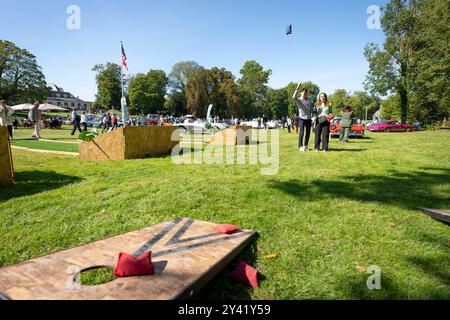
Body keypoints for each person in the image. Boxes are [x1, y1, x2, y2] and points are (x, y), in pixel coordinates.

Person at [292, 84, 313, 152]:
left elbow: (310, 108)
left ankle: (306, 145)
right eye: (303, 92)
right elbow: (293, 97)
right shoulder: (299, 100)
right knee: (301, 132)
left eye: (305, 92)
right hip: (301, 118)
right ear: (301, 93)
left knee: (308, 133)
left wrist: (312, 115)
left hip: (309, 118)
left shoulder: (309, 99)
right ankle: (300, 146)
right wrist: (297, 88)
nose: (304, 93)